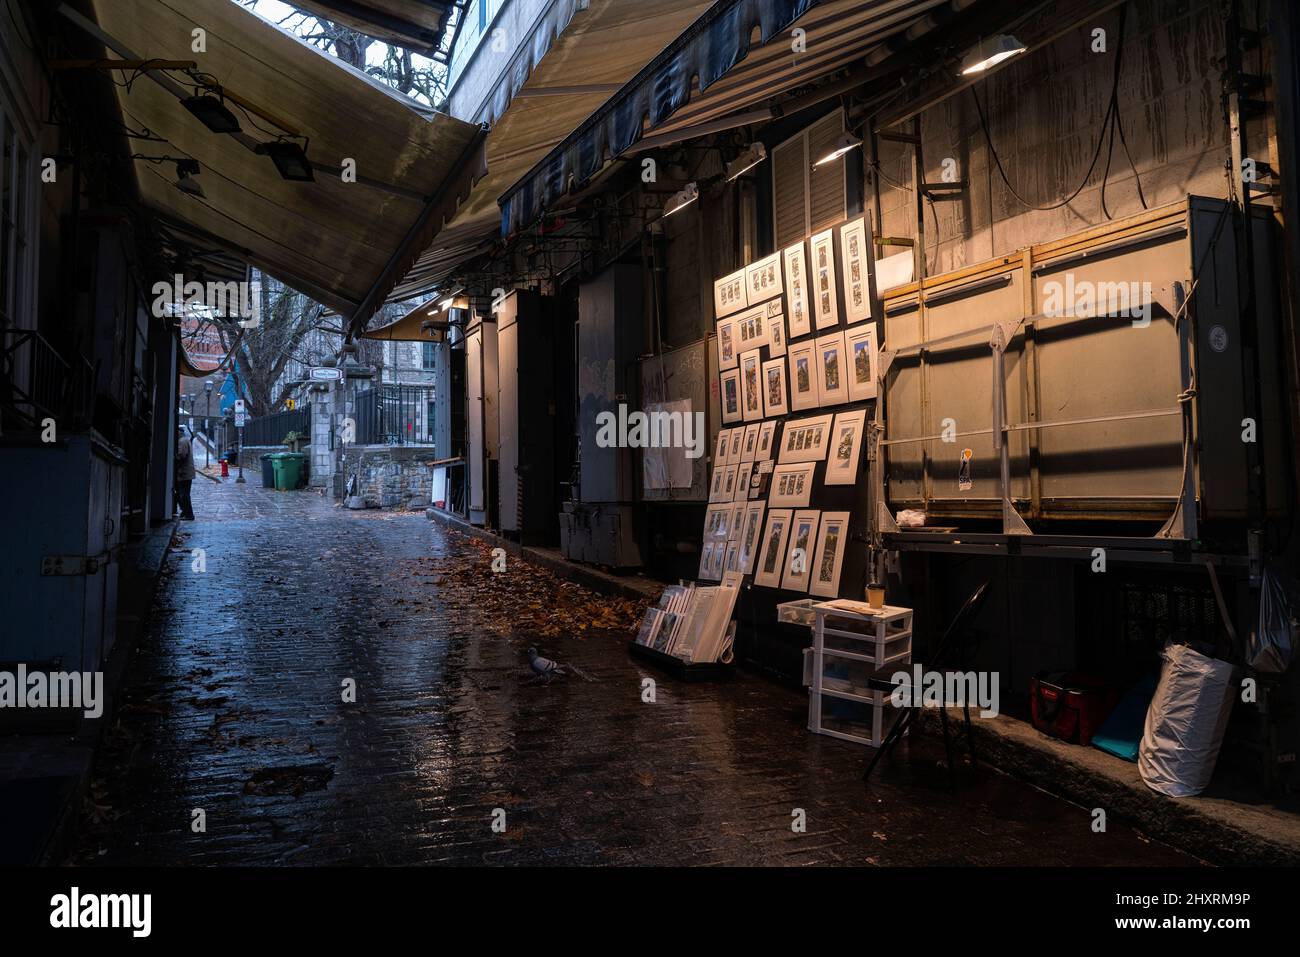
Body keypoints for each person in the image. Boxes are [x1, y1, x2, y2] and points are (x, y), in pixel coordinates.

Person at [176, 426, 195, 520]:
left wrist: (175, 458)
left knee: (184, 495)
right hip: (187, 472)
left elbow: (182, 455)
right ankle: (185, 512)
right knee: (182, 494)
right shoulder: (186, 440)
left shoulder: (182, 441)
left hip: (184, 472)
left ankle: (189, 515)